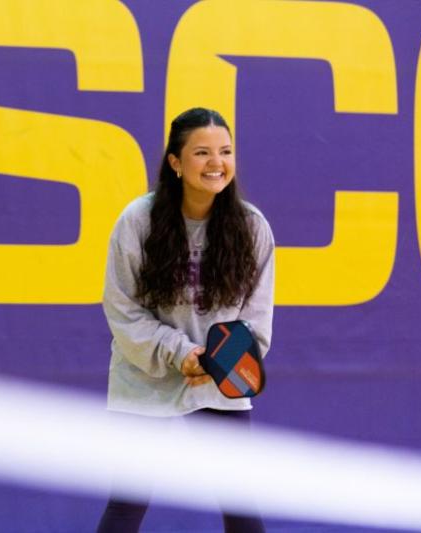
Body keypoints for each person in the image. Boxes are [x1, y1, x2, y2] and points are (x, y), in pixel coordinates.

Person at [97, 108, 275, 533]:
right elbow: (122, 310)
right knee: (127, 503)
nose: (217, 163)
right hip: (145, 375)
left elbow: (255, 320)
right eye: (202, 152)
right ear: (175, 163)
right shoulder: (137, 222)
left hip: (218, 380)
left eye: (226, 151)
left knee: (241, 506)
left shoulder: (252, 228)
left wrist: (215, 362)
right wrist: (181, 354)